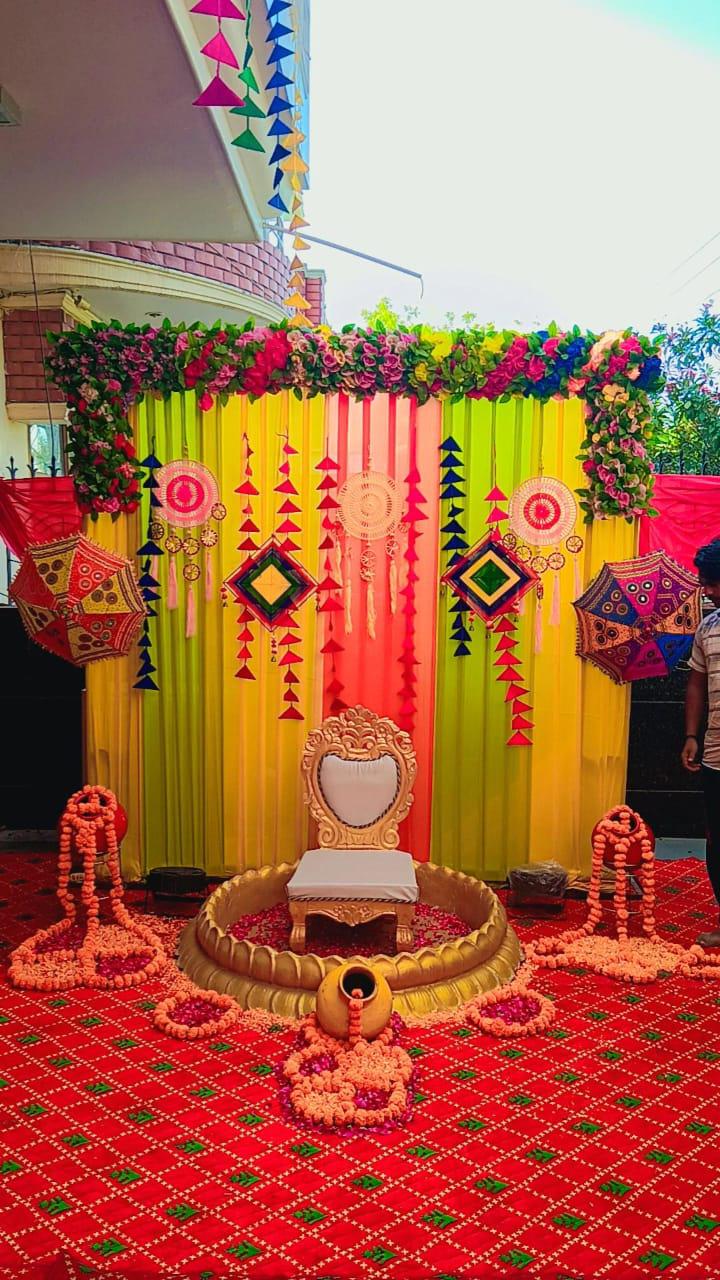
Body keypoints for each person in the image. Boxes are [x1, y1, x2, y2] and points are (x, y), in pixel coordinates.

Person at [683, 536, 720, 946]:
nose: (705, 591)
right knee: (717, 840)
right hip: (715, 753)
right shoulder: (707, 628)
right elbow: (695, 684)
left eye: (711, 582)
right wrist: (691, 735)